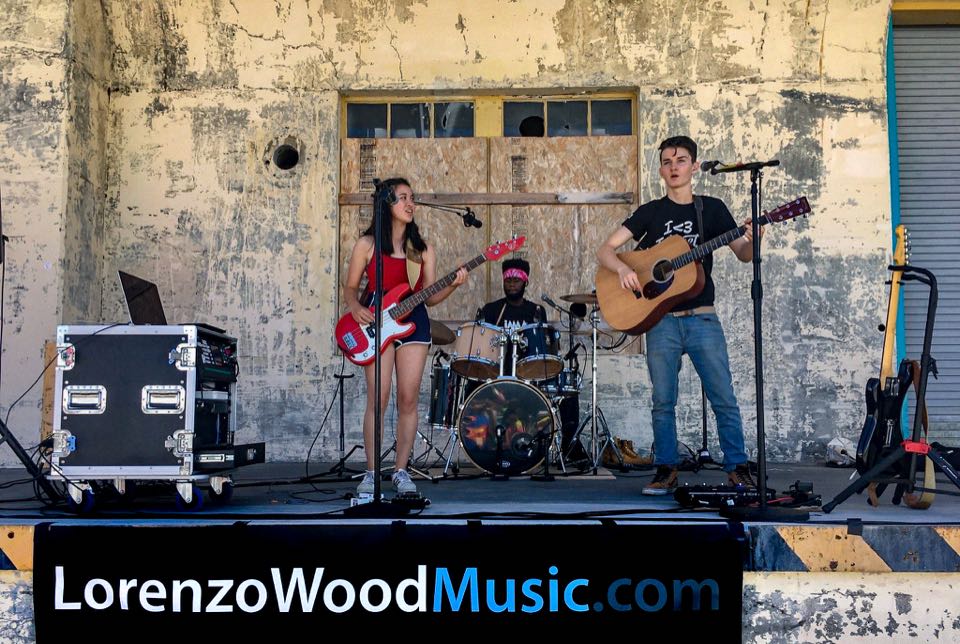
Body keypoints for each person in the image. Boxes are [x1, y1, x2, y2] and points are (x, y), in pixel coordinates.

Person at [596, 135, 762, 495]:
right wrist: (623, 270)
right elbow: (606, 250)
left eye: (681, 160)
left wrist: (753, 237)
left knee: (723, 397)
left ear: (695, 166)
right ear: (660, 169)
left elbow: (744, 255)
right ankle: (666, 468)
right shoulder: (650, 212)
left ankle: (737, 467)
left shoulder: (712, 209)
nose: (674, 167)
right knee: (662, 400)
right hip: (662, 321)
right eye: (667, 161)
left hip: (702, 316)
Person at [343, 177, 468, 496]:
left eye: (412, 198)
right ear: (386, 204)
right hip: (376, 322)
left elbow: (428, 297)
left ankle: (400, 471)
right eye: (402, 198)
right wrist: (355, 305)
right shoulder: (367, 244)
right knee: (378, 399)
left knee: (409, 399)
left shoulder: (422, 250)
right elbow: (351, 286)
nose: (410, 203)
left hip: (414, 324)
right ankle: (371, 474)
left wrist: (452, 284)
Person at [479, 259, 586, 464]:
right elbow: (484, 347)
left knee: (568, 391)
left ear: (525, 282)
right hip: (500, 372)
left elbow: (542, 346)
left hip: (529, 372)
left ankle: (569, 446)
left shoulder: (536, 311)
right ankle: (482, 447)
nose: (511, 283)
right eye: (508, 279)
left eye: (516, 280)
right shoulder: (492, 310)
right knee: (473, 383)